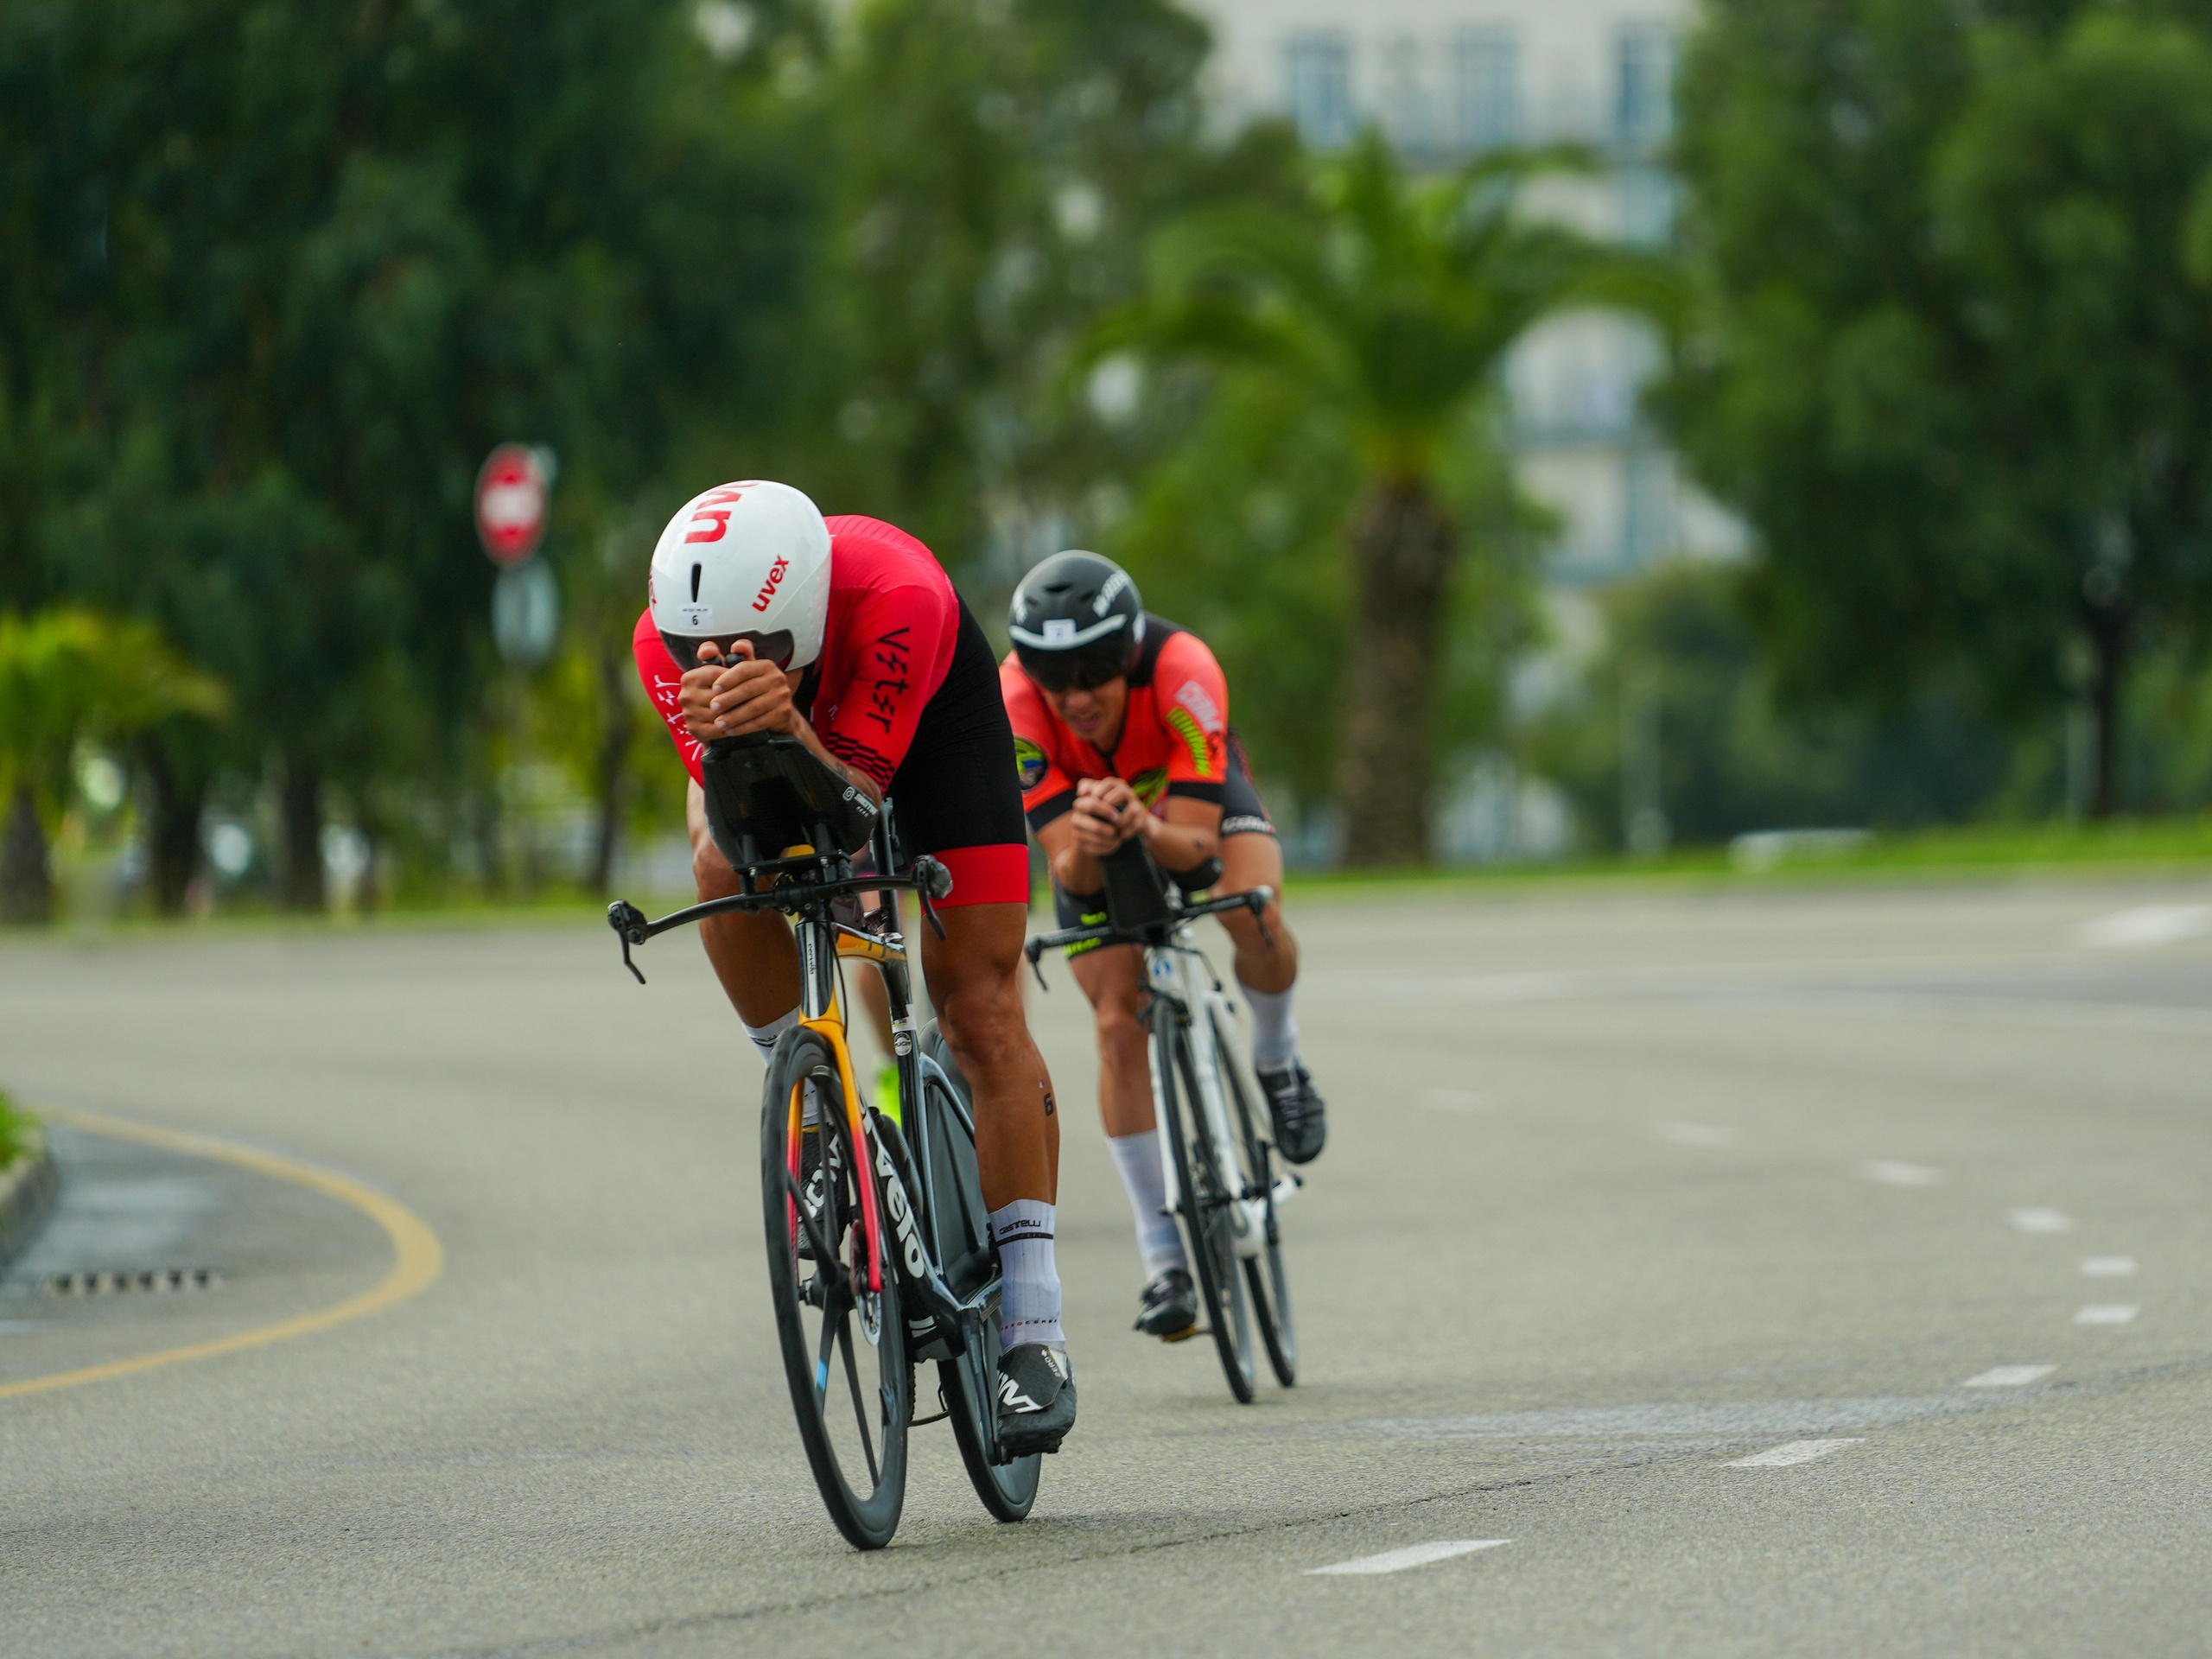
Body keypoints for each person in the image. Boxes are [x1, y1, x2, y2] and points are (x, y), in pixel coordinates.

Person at [634, 480, 1076, 1451]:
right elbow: (744, 826)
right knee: (716, 858)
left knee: (980, 1011)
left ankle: (1033, 1328)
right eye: (698, 655)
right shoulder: (659, 640)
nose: (724, 667)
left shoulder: (894, 594)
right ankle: (809, 1101)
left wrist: (792, 729)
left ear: (801, 621)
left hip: (929, 741)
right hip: (801, 753)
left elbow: (858, 820)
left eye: (761, 654)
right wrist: (742, 748)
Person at [999, 550, 1325, 1342]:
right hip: (1094, 839)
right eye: (1057, 679)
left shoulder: (1183, 673)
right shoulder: (1014, 702)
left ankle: (1277, 1058)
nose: (1077, 697)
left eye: (1097, 673)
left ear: (1132, 654)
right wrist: (1099, 836)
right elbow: (1067, 869)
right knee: (1118, 1027)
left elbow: (1204, 854)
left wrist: (1143, 826)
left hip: (1188, 811)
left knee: (1253, 917)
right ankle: (1164, 1258)